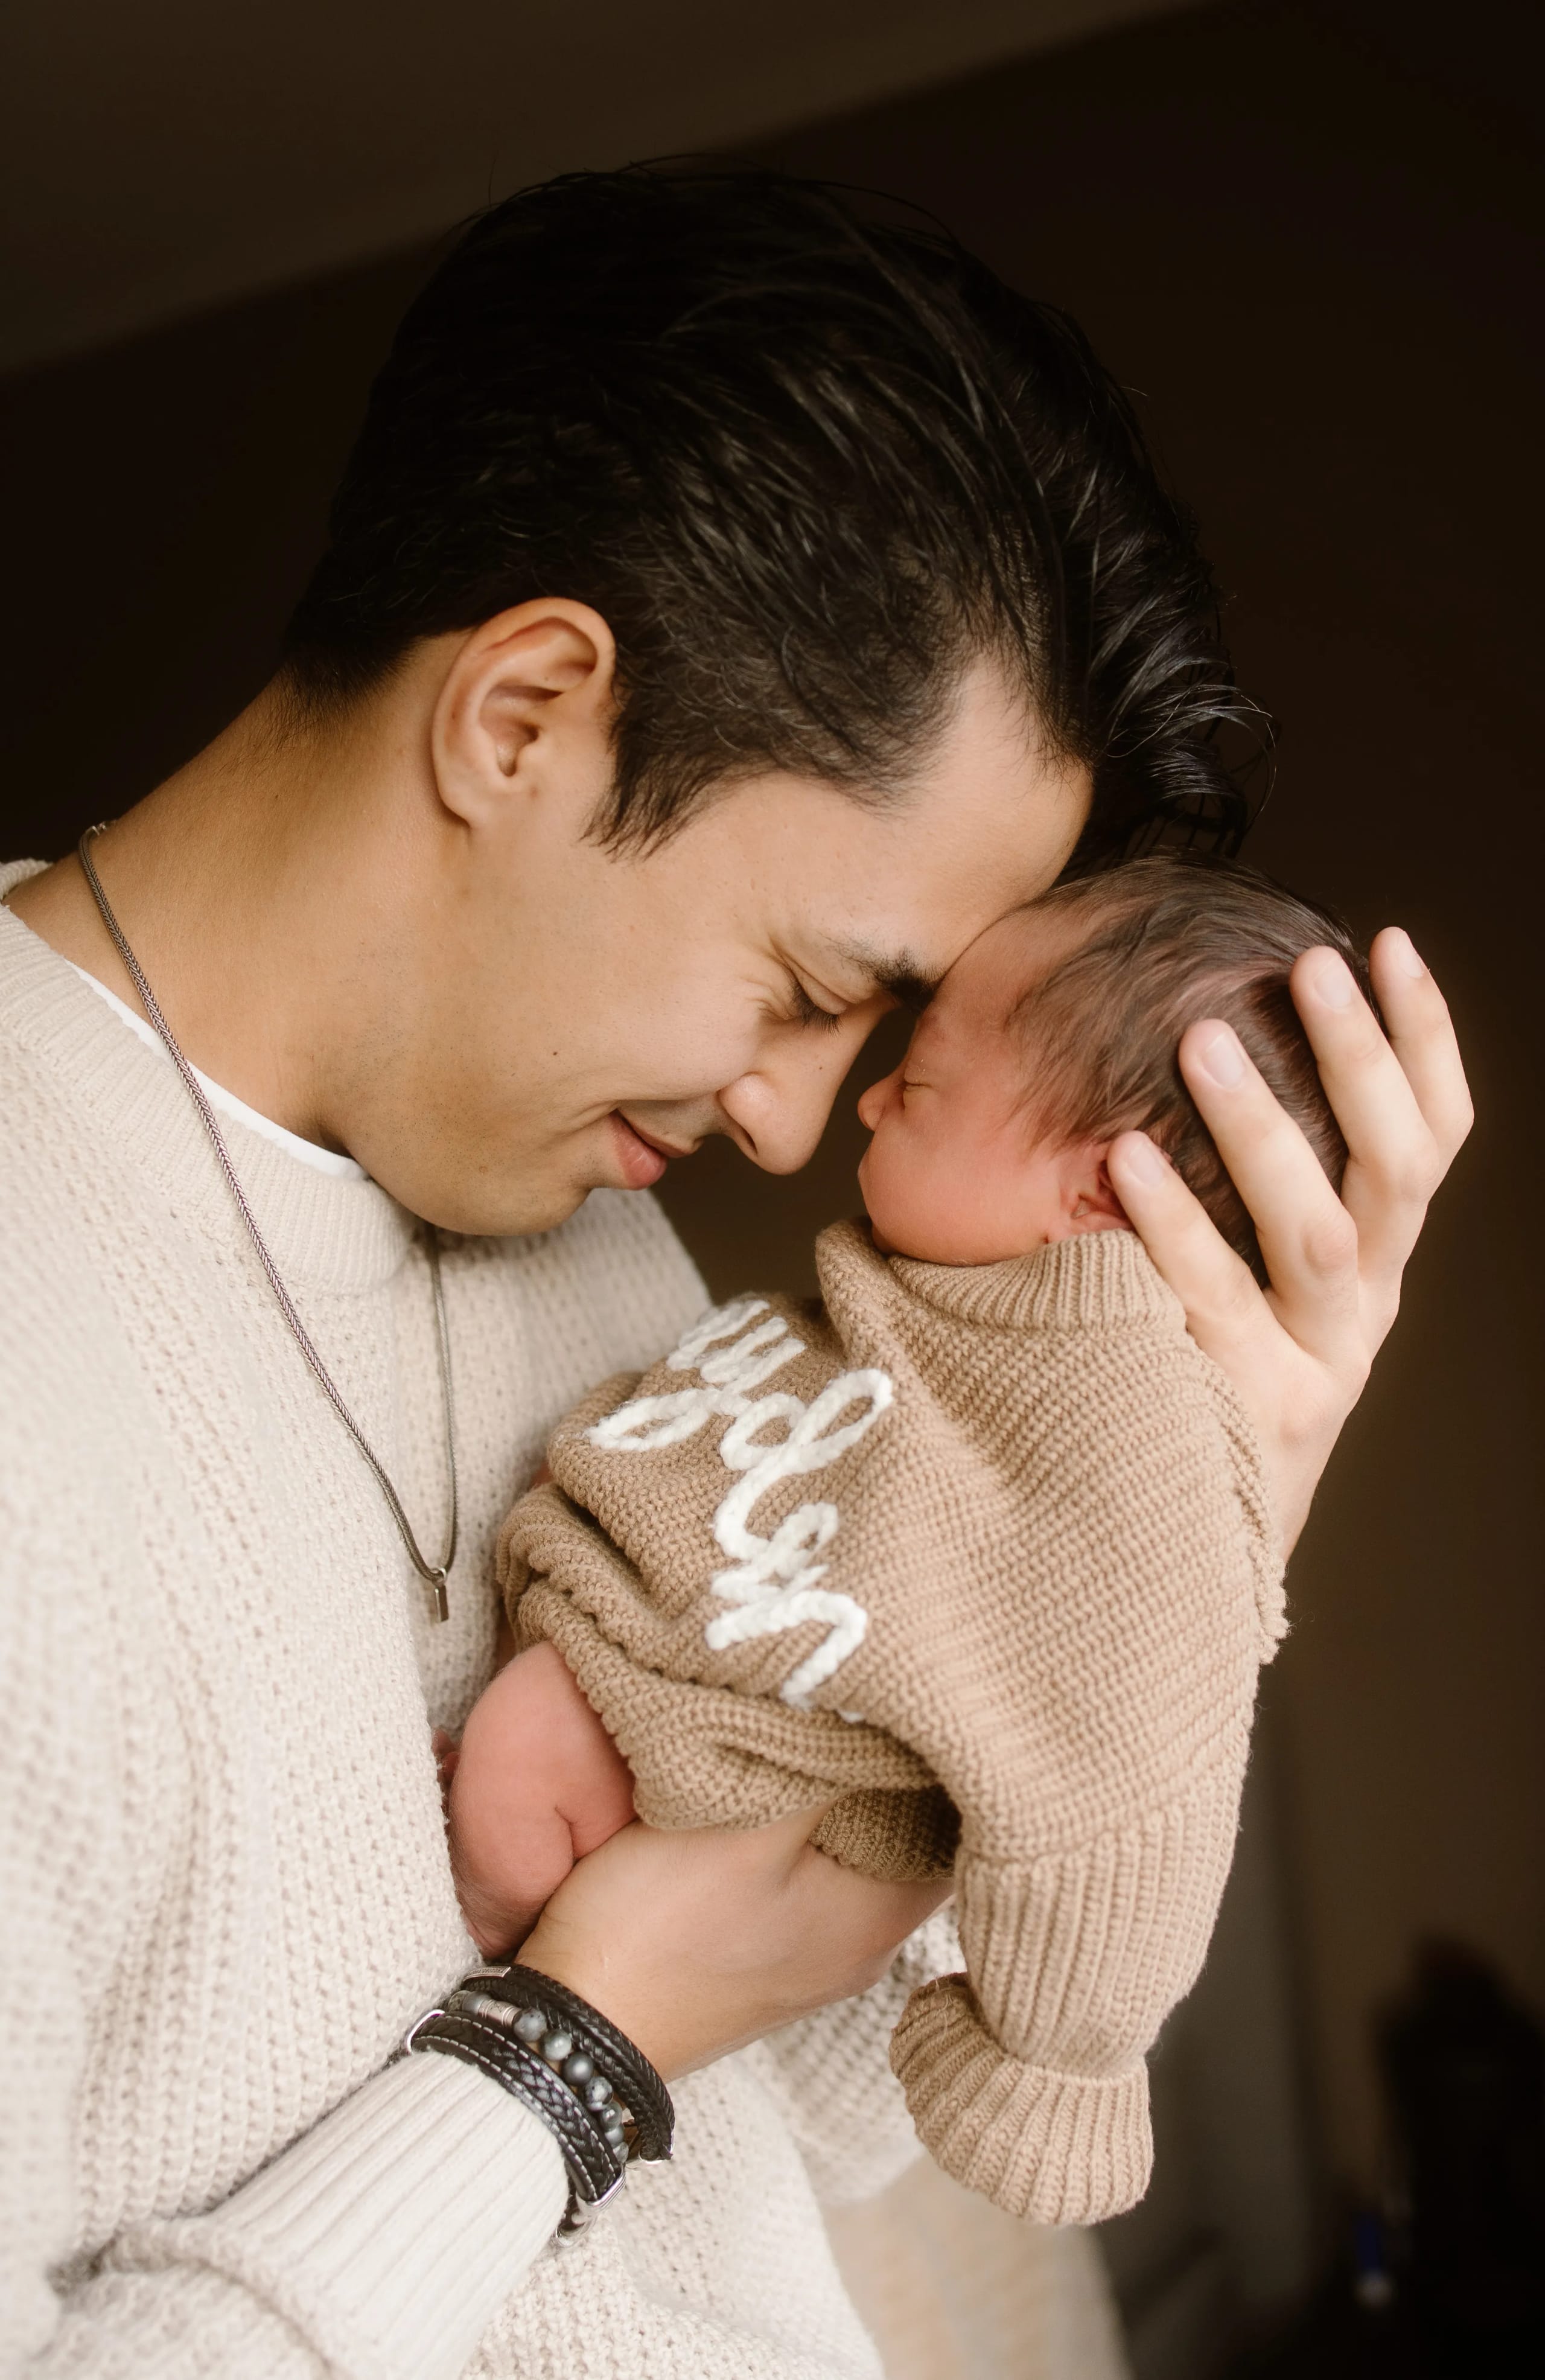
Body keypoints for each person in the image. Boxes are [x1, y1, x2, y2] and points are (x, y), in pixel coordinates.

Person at [0, 168, 1469, 2380]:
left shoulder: (586, 1222)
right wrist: (559, 2054)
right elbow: (630, 2056)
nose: (794, 1130)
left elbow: (791, 2111)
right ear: (523, 714)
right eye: (804, 986)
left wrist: (1189, 1530)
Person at [445, 858, 1361, 2231]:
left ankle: (471, 1938)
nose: (866, 1099)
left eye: (919, 1085)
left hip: (743, 1755)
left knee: (522, 1765)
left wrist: (1060, 2064)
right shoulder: (941, 1295)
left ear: (1101, 1196)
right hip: (659, 1653)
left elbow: (1142, 1773)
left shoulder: (1132, 1437)